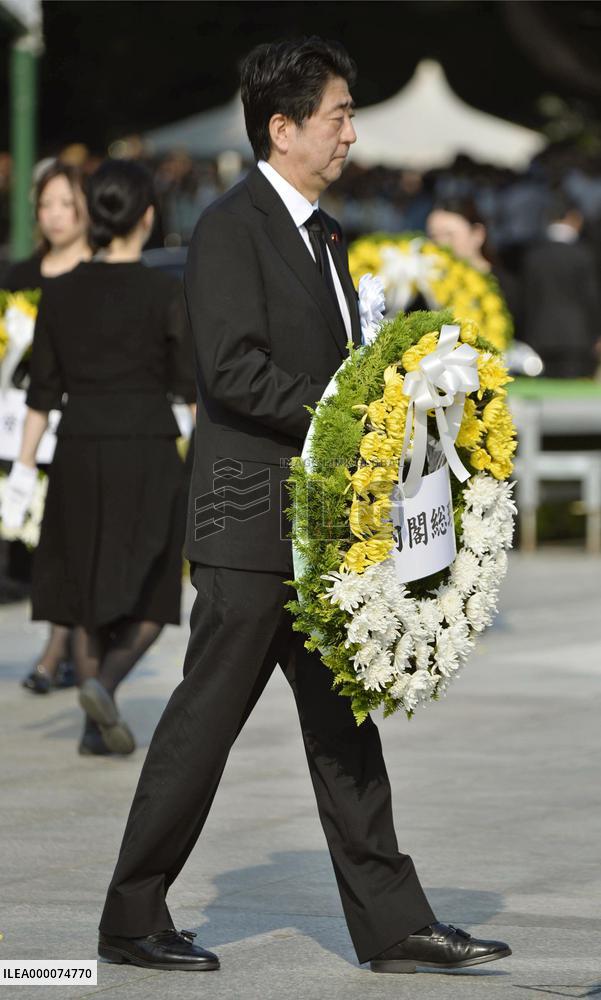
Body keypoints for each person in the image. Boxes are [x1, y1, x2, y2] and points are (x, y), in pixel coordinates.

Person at [97, 38, 511, 974]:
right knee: (204, 723)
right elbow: (231, 370)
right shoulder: (229, 228)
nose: (350, 134)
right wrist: (355, 413)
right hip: (247, 519)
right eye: (338, 115)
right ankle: (129, 917)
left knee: (343, 727)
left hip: (320, 529)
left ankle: (393, 924)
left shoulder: (326, 234)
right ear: (281, 128)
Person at [1, 159, 195, 755]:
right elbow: (189, 387)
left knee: (84, 588)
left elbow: (41, 393)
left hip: (78, 449)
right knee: (155, 587)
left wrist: (24, 470)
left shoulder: (59, 293)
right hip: (148, 450)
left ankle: (93, 722)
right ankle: (104, 686)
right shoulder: (166, 292)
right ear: (147, 217)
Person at [2, 160, 92, 695]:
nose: (55, 215)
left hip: (84, 429)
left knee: (76, 543)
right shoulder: (20, 277)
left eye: (66, 204)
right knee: (46, 549)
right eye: (46, 205)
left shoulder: (101, 273)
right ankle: (69, 652)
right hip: (24, 429)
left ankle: (61, 653)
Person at [521, 193, 601, 378]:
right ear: (574, 218)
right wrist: (598, 332)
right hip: (578, 337)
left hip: (540, 336)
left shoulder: (533, 256)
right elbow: (591, 298)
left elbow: (527, 300)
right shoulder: (583, 255)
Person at [426, 196, 520, 319]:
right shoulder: (426, 286)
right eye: (433, 236)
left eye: (449, 234)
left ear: (477, 234)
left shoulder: (505, 288)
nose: (441, 244)